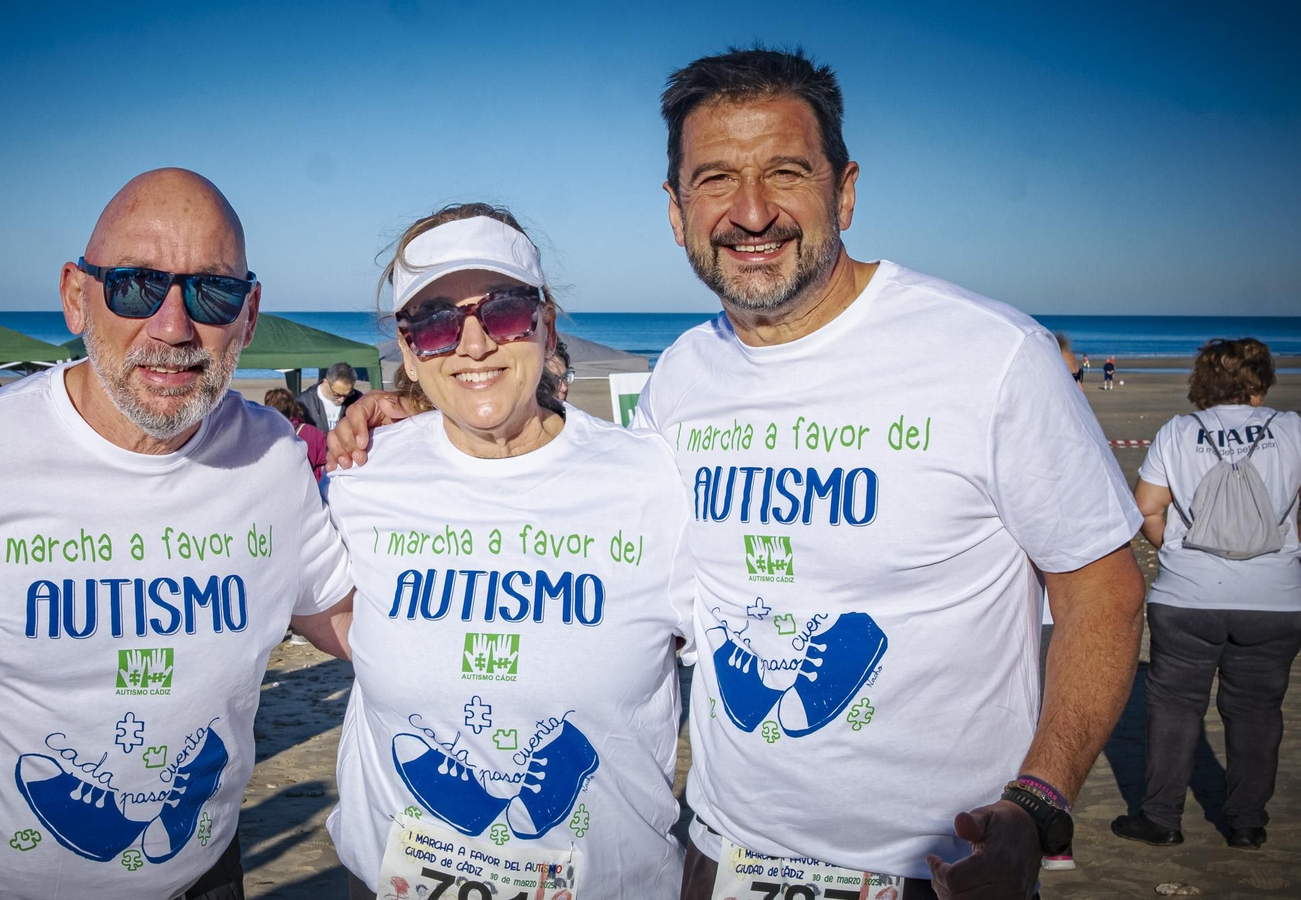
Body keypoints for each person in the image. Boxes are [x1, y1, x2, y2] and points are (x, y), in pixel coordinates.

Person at [331, 48, 1146, 899]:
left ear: (845, 190)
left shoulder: (990, 355)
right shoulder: (682, 379)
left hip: (937, 863)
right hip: (725, 856)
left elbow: (1104, 588)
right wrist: (409, 417)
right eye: (716, 179)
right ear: (677, 211)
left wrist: (1038, 801)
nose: (752, 212)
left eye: (785, 172)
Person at [0, 168, 353, 900]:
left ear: (249, 314)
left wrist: (428, 443)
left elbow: (343, 616)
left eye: (213, 292)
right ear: (77, 296)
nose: (173, 326)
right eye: (135, 285)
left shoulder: (272, 457)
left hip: (198, 878)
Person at [325, 203, 695, 900]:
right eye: (435, 322)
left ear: (546, 324)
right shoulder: (360, 476)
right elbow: (316, 608)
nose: (472, 344)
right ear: (410, 351)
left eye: (502, 312)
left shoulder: (652, 481)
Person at [1113, 338, 1301, 851]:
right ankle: (1247, 824)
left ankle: (1161, 818)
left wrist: (1175, 550)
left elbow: (1147, 508)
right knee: (1258, 711)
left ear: (1202, 383)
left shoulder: (1179, 432)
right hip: (1275, 598)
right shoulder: (1291, 428)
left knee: (1175, 706)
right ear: (1260, 382)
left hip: (1188, 597)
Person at [262, 388, 327, 481]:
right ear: (294, 407)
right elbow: (323, 463)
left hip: (275, 483)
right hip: (308, 484)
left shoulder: (263, 433)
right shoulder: (313, 433)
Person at [299, 362, 361, 431]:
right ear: (325, 383)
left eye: (347, 394)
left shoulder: (358, 400)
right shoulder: (303, 402)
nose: (342, 400)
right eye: (337, 394)